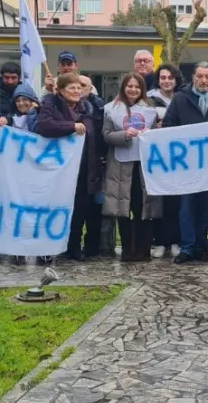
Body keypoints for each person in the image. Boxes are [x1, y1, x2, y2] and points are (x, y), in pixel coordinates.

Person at [163, 62, 208, 263]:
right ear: (193, 77)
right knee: (186, 207)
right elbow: (168, 126)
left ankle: (200, 245)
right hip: (187, 165)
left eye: (207, 76)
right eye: (200, 76)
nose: (204, 80)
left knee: (206, 208)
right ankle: (187, 247)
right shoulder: (180, 99)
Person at [37, 72, 100, 261]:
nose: (77, 91)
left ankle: (73, 247)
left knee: (79, 210)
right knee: (54, 208)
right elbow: (44, 127)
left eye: (79, 88)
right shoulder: (50, 105)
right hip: (57, 170)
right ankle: (48, 248)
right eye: (72, 87)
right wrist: (71, 126)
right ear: (60, 90)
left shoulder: (87, 109)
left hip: (82, 169)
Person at [102, 73, 160, 262]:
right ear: (123, 88)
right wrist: (124, 135)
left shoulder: (151, 110)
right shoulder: (111, 109)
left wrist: (153, 133)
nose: (133, 90)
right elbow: (107, 135)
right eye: (130, 86)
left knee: (143, 208)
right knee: (123, 209)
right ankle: (128, 249)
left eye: (137, 87)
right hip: (120, 166)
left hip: (143, 167)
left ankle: (143, 250)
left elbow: (160, 134)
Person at [147, 63, 182, 258]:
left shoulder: (183, 99)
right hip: (157, 156)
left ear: (176, 80)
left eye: (170, 77)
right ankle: (159, 241)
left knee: (175, 201)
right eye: (163, 78)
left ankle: (176, 240)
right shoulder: (149, 99)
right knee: (158, 199)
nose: (166, 81)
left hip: (178, 157)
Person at [77, 74, 107, 257]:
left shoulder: (100, 108)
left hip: (96, 165)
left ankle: (92, 246)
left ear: (91, 89)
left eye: (84, 85)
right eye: (77, 85)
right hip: (76, 165)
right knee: (78, 208)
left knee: (95, 209)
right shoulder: (65, 107)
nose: (79, 89)